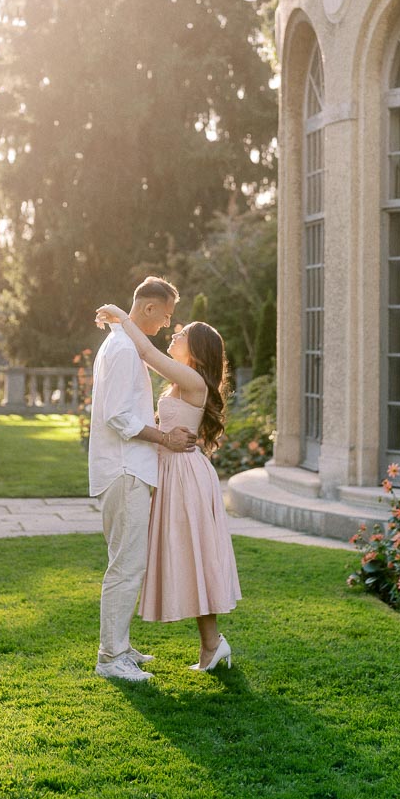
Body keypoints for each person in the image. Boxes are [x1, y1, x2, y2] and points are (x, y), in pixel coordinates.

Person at [95, 303, 241, 671]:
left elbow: (144, 351)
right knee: (187, 557)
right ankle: (211, 645)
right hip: (170, 470)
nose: (173, 334)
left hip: (184, 474)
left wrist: (118, 314)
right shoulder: (181, 380)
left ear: (195, 349)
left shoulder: (193, 382)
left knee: (194, 557)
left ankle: (212, 644)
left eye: (181, 335)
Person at [89, 276, 197, 683]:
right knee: (125, 566)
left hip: (130, 468)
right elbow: (118, 416)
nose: (167, 325)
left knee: (130, 562)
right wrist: (164, 437)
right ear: (148, 308)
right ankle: (110, 657)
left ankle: (122, 646)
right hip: (124, 469)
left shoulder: (125, 345)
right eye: (166, 315)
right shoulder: (120, 348)